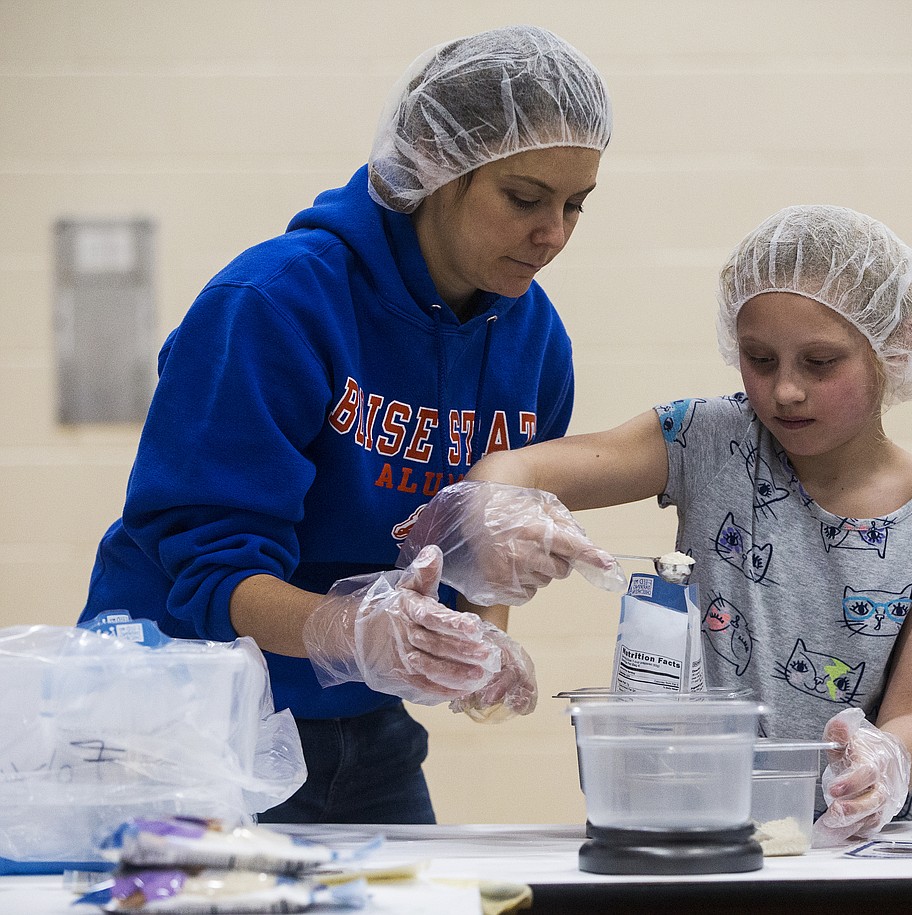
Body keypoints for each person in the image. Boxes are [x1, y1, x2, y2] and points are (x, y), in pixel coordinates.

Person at [78, 24, 614, 825]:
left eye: (576, 205)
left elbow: (473, 551)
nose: (555, 234)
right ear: (438, 169)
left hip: (361, 726)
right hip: (183, 722)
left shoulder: (535, 341)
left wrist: (481, 635)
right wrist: (348, 627)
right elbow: (209, 574)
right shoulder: (271, 306)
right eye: (525, 198)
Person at [398, 204, 912, 844]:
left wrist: (887, 759)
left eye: (819, 362)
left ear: (895, 345)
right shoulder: (709, 440)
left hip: (853, 839)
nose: (785, 390)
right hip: (696, 823)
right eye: (759, 359)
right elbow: (512, 470)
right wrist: (497, 545)